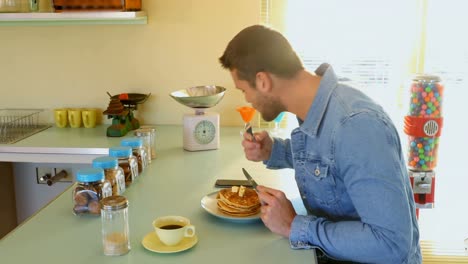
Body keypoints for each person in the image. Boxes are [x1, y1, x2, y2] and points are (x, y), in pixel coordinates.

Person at [219, 25, 421, 264]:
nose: (248, 100)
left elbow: (391, 244)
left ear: (262, 81)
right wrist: (275, 151)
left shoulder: (356, 126)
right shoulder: (317, 108)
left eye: (244, 90)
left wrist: (295, 225)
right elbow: (334, 162)